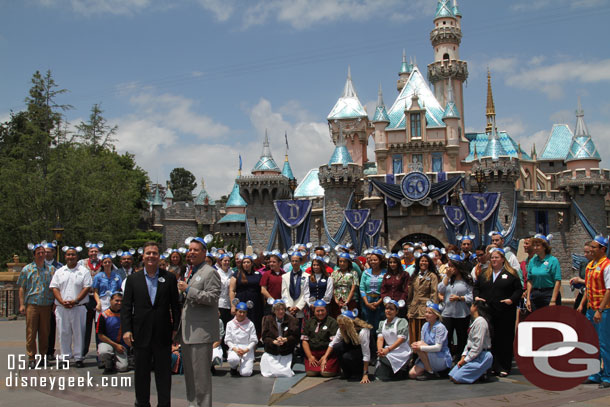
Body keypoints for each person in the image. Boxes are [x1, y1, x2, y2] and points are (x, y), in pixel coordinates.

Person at [121, 241, 180, 407]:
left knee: (163, 374)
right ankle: (142, 403)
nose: (151, 256)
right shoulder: (133, 279)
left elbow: (175, 306)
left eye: (154, 253)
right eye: (148, 253)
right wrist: (126, 330)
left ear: (159, 256)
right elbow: (126, 307)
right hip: (140, 333)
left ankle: (164, 404)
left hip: (162, 333)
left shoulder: (168, 278)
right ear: (143, 256)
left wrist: (175, 328)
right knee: (141, 374)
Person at [177, 236, 221, 407]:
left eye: (196, 250)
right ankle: (193, 404)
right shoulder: (191, 272)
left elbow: (212, 297)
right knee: (190, 375)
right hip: (188, 332)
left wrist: (188, 290)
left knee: (201, 377)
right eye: (190, 249)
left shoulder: (210, 272)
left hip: (201, 333)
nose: (192, 253)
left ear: (204, 252)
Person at [474, 248, 523, 377]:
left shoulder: (511, 274)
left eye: (496, 257)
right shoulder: (485, 273)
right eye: (492, 258)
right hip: (488, 311)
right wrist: (477, 297)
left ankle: (503, 366)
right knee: (491, 339)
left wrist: (511, 300)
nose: (494, 260)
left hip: (505, 312)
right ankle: (491, 365)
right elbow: (476, 287)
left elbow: (518, 290)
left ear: (502, 259)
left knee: (504, 339)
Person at [49, 245, 91, 368]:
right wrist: (61, 301)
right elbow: (54, 287)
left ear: (77, 257)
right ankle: (65, 357)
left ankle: (78, 357)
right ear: (65, 256)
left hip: (78, 307)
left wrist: (76, 300)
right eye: (68, 255)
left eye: (73, 255)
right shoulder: (60, 271)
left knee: (79, 333)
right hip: (62, 308)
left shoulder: (83, 271)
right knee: (63, 333)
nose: (70, 257)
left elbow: (86, 287)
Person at [578, 235, 610, 388]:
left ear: (603, 249)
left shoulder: (607, 265)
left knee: (604, 344)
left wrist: (600, 309)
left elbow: (609, 290)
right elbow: (588, 288)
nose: (590, 249)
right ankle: (594, 374)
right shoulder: (590, 265)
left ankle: (607, 376)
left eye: (593, 247)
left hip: (603, 310)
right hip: (591, 309)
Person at [18, 242, 56, 368]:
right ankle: (31, 356)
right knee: (31, 332)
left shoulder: (51, 270)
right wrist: (22, 304)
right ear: (34, 255)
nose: (41, 255)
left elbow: (55, 287)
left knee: (45, 332)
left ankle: (43, 356)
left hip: (46, 305)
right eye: (38, 253)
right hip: (32, 305)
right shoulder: (27, 269)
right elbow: (22, 287)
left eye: (43, 253)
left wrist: (55, 302)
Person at [438, 254, 473, 360]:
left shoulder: (466, 279)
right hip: (447, 313)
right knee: (447, 337)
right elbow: (440, 289)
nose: (450, 269)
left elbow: (471, 296)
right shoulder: (447, 278)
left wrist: (460, 298)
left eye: (452, 266)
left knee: (461, 336)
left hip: (462, 313)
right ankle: (447, 357)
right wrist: (447, 277)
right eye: (449, 266)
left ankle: (460, 357)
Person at [449, 300, 494, 384]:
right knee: (452, 376)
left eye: (471, 305)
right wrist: (464, 355)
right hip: (472, 354)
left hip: (481, 355)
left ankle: (481, 372)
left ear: (475, 307)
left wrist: (466, 360)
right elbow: (469, 342)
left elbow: (478, 346)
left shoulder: (481, 322)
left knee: (457, 379)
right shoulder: (475, 321)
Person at [409, 301, 452, 380]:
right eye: (426, 312)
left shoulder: (440, 327)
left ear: (436, 315)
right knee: (412, 374)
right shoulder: (425, 325)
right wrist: (415, 345)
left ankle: (430, 372)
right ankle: (431, 369)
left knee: (420, 346)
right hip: (427, 354)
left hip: (440, 356)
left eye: (429, 313)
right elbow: (422, 341)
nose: (426, 315)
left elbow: (438, 347)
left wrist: (420, 348)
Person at [260, 300, 300, 377]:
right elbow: (264, 337)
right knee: (267, 373)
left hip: (286, 351)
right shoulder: (267, 319)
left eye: (282, 309)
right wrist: (273, 341)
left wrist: (286, 339)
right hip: (272, 350)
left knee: (284, 372)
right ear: (274, 311)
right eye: (278, 310)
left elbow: (296, 337)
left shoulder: (292, 320)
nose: (280, 311)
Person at [375, 298, 411, 381]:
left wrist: (388, 350)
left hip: (401, 350)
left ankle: (402, 369)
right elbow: (380, 339)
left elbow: (400, 340)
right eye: (387, 309)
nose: (388, 311)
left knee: (384, 358)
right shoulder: (382, 323)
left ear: (396, 311)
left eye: (391, 309)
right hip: (388, 349)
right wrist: (380, 350)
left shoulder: (401, 322)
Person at [301, 300, 339, 377]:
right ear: (314, 311)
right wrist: (310, 357)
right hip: (313, 353)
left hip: (327, 353)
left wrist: (325, 357)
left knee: (326, 373)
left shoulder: (332, 322)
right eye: (318, 311)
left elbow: (334, 342)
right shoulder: (309, 322)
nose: (320, 313)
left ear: (326, 310)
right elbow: (304, 341)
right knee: (311, 373)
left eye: (322, 310)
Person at [407, 253, 439, 343]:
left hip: (425, 309)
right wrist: (409, 308)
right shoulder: (415, 276)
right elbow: (410, 294)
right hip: (414, 309)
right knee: (413, 333)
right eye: (422, 261)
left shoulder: (432, 276)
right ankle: (414, 353)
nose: (423, 263)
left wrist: (433, 309)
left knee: (424, 333)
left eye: (426, 261)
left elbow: (434, 293)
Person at [526, 234, 562, 312]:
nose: (535, 248)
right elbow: (529, 280)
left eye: (538, 245)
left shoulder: (553, 260)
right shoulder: (532, 261)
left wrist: (553, 300)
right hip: (535, 294)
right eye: (534, 245)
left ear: (544, 247)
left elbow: (557, 281)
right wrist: (528, 298)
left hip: (549, 293)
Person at [230, 254, 263, 335]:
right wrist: (233, 306)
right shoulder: (236, 274)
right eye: (244, 262)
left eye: (248, 262)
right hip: (241, 302)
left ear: (252, 263)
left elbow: (261, 290)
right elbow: (231, 290)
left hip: (255, 304)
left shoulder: (258, 274)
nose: (246, 264)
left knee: (255, 323)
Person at [97, 292, 130, 374]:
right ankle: (108, 364)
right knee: (104, 352)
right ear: (111, 301)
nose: (119, 303)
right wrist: (115, 345)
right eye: (117, 301)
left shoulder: (126, 315)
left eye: (121, 301)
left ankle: (116, 359)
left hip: (122, 345)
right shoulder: (104, 315)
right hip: (108, 343)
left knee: (123, 368)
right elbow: (100, 335)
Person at [80, 241, 102, 359]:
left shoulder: (103, 262)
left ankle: (100, 351)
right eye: (92, 251)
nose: (94, 253)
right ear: (88, 252)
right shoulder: (82, 263)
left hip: (98, 298)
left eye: (95, 251)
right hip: (86, 298)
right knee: (86, 326)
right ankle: (83, 351)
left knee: (99, 325)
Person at [224, 301, 258, 377]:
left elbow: (254, 340)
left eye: (244, 312)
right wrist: (235, 349)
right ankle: (234, 367)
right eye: (240, 312)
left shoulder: (250, 324)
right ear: (236, 312)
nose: (242, 314)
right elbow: (228, 339)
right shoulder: (230, 324)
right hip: (235, 347)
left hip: (246, 349)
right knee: (233, 359)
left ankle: (244, 366)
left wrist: (246, 350)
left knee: (246, 373)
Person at [360, 248, 387, 340]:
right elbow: (362, 288)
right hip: (367, 300)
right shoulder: (366, 273)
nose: (373, 262)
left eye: (375, 260)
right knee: (367, 324)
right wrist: (366, 303)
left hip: (380, 301)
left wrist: (379, 302)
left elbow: (386, 290)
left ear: (380, 260)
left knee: (379, 323)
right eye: (371, 260)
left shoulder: (385, 273)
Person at [44, 242, 62, 359]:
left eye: (48, 251)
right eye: (44, 251)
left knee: (52, 326)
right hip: (42, 300)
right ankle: (42, 351)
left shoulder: (59, 266)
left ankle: (50, 351)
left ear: (54, 252)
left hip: (54, 300)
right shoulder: (39, 265)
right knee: (42, 328)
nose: (46, 253)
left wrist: (57, 301)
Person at [281, 251, 310, 321]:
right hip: (289, 310)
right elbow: (284, 293)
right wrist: (288, 307)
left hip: (301, 310)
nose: (294, 263)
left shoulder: (306, 276)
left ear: (300, 262)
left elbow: (305, 294)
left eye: (296, 261)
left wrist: (298, 307)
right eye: (292, 261)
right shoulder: (285, 276)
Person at [330, 252, 359, 318]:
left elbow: (353, 288)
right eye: (340, 261)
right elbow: (332, 287)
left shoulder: (354, 273)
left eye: (344, 262)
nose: (342, 263)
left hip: (349, 301)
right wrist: (336, 300)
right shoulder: (334, 273)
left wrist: (347, 301)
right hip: (337, 301)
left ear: (348, 263)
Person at [381, 253, 409, 318]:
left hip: (400, 304)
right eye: (390, 262)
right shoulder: (386, 275)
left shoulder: (404, 274)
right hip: (388, 304)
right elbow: (383, 289)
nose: (392, 264)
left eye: (394, 262)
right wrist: (385, 300)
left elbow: (406, 289)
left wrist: (401, 300)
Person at [216, 252, 234, 331]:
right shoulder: (217, 273)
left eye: (228, 261)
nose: (227, 262)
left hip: (229, 303)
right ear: (220, 262)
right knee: (220, 326)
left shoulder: (232, 273)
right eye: (225, 261)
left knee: (228, 325)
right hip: (220, 303)